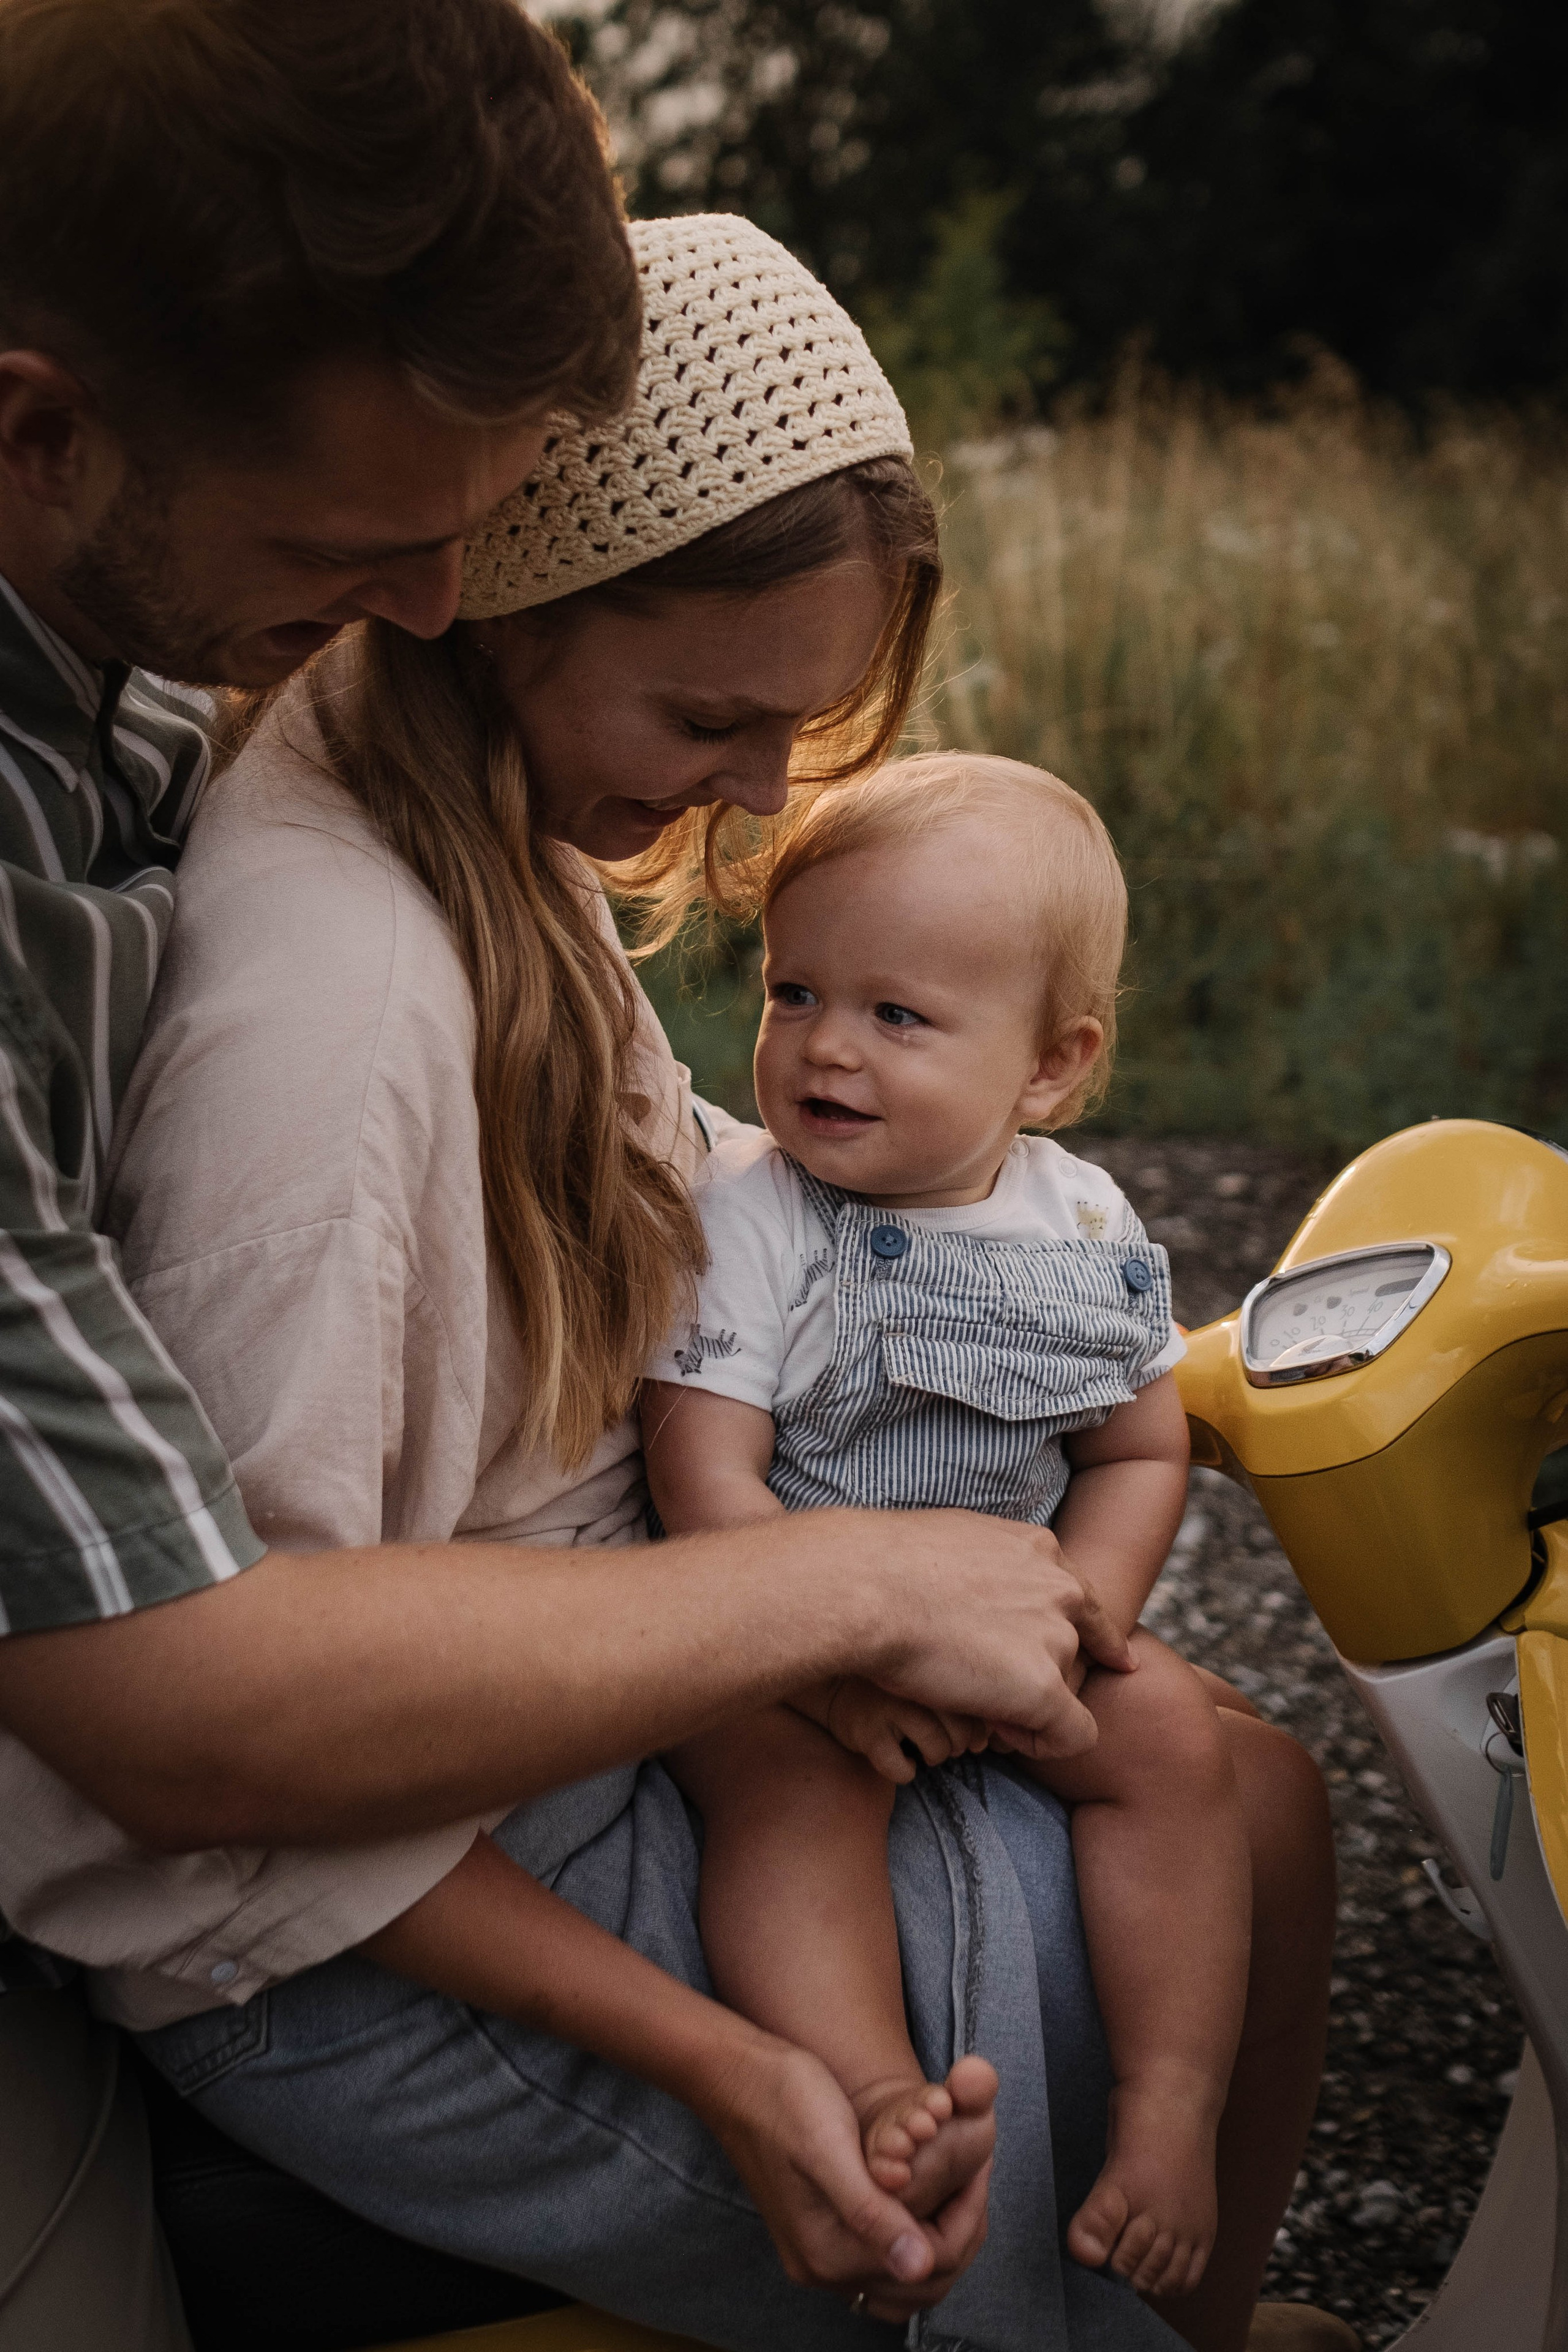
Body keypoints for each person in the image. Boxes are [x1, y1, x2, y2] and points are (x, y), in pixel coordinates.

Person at [0, 13, 1139, 2348]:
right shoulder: (324, 993)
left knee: (1204, 1809)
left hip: (396, 1788)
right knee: (1042, 2013)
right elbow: (186, 1720)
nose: (421, 596)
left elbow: (673, 1187)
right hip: (291, 1905)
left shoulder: (280, 744)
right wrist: (846, 1587)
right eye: (365, 547)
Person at [643, 752, 1253, 2301]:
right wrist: (827, 1664)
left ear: (1047, 1068)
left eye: (895, 1017)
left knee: (1178, 1749)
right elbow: (702, 1475)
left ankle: (1166, 2116)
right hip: (788, 1642)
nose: (822, 1050)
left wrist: (1088, 1615)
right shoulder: (754, 1211)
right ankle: (864, 2091)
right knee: (778, 1794)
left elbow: (1137, 1443)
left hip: (1005, 1627)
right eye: (794, 995)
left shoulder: (1083, 1222)